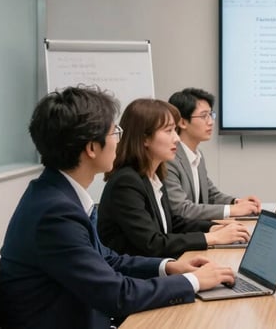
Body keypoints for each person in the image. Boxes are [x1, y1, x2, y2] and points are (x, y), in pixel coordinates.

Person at [0, 86, 235, 329]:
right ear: (92, 148)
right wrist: (192, 281)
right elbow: (117, 295)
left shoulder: (56, 194)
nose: (119, 140)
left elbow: (107, 259)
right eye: (114, 133)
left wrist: (167, 266)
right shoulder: (55, 213)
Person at [97, 98, 250, 258]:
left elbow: (173, 223)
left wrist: (213, 227)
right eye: (169, 131)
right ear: (144, 139)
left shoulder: (154, 174)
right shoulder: (126, 182)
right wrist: (213, 238)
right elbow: (152, 243)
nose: (177, 138)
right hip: (137, 277)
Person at [165, 88, 260, 220]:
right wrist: (232, 210)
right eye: (204, 116)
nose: (211, 122)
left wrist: (237, 202)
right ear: (182, 122)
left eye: (211, 115)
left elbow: (211, 195)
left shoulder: (197, 155)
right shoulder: (169, 159)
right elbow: (182, 209)